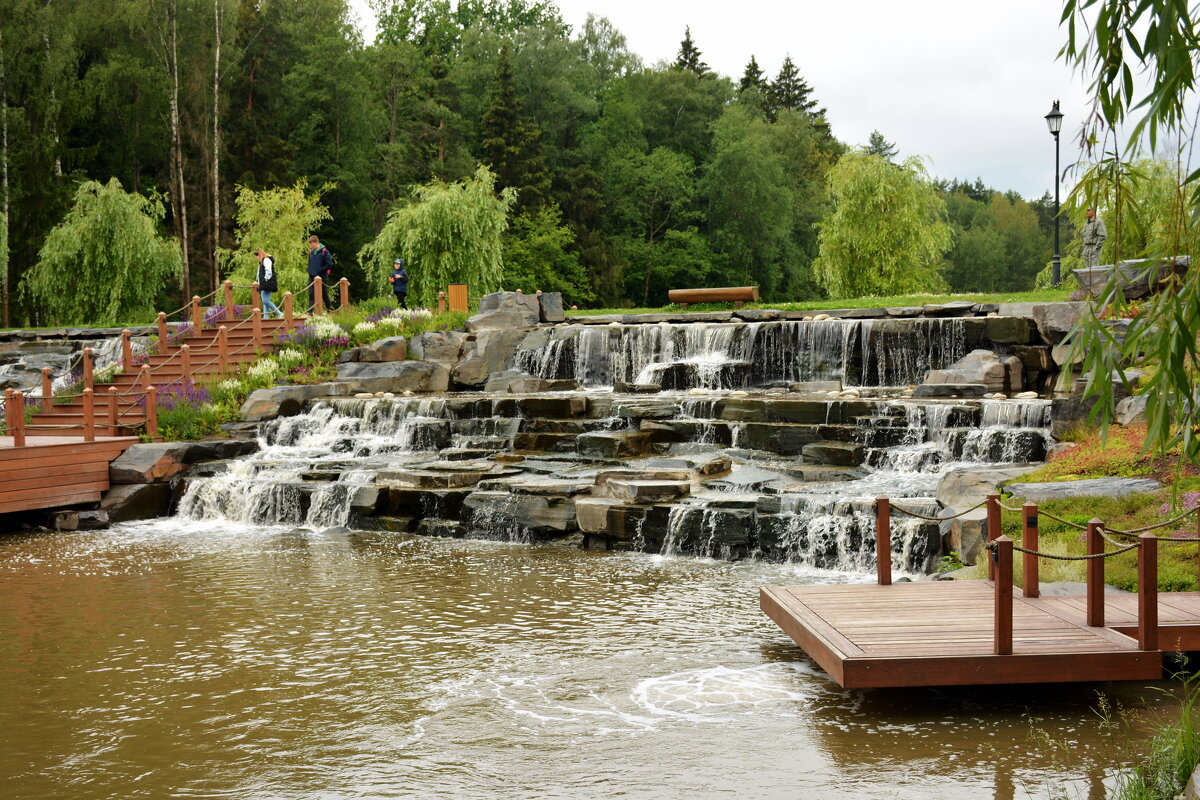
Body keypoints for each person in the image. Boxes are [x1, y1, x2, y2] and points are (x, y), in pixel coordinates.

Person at [307, 234, 333, 311]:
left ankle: (330, 309)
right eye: (310, 244)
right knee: (311, 295)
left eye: (312, 244)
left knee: (324, 294)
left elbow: (329, 264)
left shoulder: (325, 252)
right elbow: (309, 262)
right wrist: (309, 270)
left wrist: (320, 270)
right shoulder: (311, 252)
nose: (311, 246)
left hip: (322, 277)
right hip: (312, 277)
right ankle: (310, 312)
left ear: (316, 242)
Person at [255, 249, 283, 319]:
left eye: (256, 257)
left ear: (259, 255)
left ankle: (279, 313)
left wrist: (265, 280)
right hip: (263, 283)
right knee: (265, 301)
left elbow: (269, 271)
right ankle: (266, 316)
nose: (256, 259)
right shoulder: (261, 263)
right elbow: (259, 274)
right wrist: (259, 283)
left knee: (265, 300)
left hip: (268, 283)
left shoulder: (266, 260)